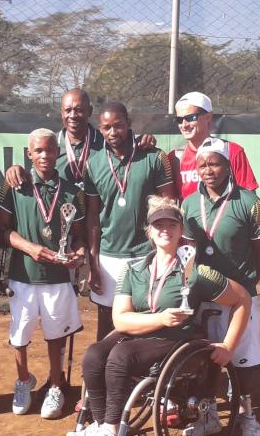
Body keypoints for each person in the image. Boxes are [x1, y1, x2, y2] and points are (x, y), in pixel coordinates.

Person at [68, 196, 252, 436]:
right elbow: (121, 319)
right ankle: (102, 424)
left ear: (180, 231)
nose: (165, 230)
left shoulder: (197, 272)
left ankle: (111, 429)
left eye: (172, 225)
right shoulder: (133, 270)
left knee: (121, 356)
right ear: (149, 232)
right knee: (93, 355)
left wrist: (228, 346)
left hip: (176, 340)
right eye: (158, 225)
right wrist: (161, 318)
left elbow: (243, 298)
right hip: (141, 333)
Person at [181, 137, 260, 436]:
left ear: (228, 165)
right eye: (203, 164)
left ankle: (246, 415)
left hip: (239, 297)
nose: (208, 170)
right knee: (206, 356)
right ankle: (207, 416)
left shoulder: (250, 203)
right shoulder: (188, 204)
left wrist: (246, 285)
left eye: (215, 163)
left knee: (243, 359)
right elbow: (186, 251)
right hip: (202, 296)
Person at [0, 128, 87, 419]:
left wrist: (79, 254)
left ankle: (56, 386)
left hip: (58, 278)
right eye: (38, 151)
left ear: (58, 152)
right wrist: (29, 247)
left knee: (55, 336)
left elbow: (80, 237)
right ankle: (23, 381)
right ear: (29, 154)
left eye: (50, 150)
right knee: (19, 334)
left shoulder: (73, 191)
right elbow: (2, 230)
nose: (45, 155)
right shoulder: (14, 185)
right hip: (23, 274)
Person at [84, 102, 177, 341]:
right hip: (109, 256)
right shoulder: (93, 163)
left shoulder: (153, 157)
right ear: (99, 129)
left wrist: (166, 251)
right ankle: (104, 374)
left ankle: (143, 374)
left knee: (147, 317)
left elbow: (168, 207)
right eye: (106, 127)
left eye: (118, 126)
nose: (113, 132)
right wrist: (93, 262)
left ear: (129, 124)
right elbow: (93, 217)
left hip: (145, 254)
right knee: (107, 322)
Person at [4, 88, 157, 192]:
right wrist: (15, 169)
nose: (72, 115)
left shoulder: (105, 140)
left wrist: (144, 139)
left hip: (99, 220)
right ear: (61, 112)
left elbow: (128, 147)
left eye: (78, 110)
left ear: (89, 111)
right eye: (68, 110)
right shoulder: (51, 145)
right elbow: (33, 173)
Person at [171, 91, 258, 197]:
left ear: (208, 117)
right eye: (179, 120)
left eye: (190, 118)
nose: (184, 125)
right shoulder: (174, 158)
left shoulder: (232, 151)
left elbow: (249, 200)